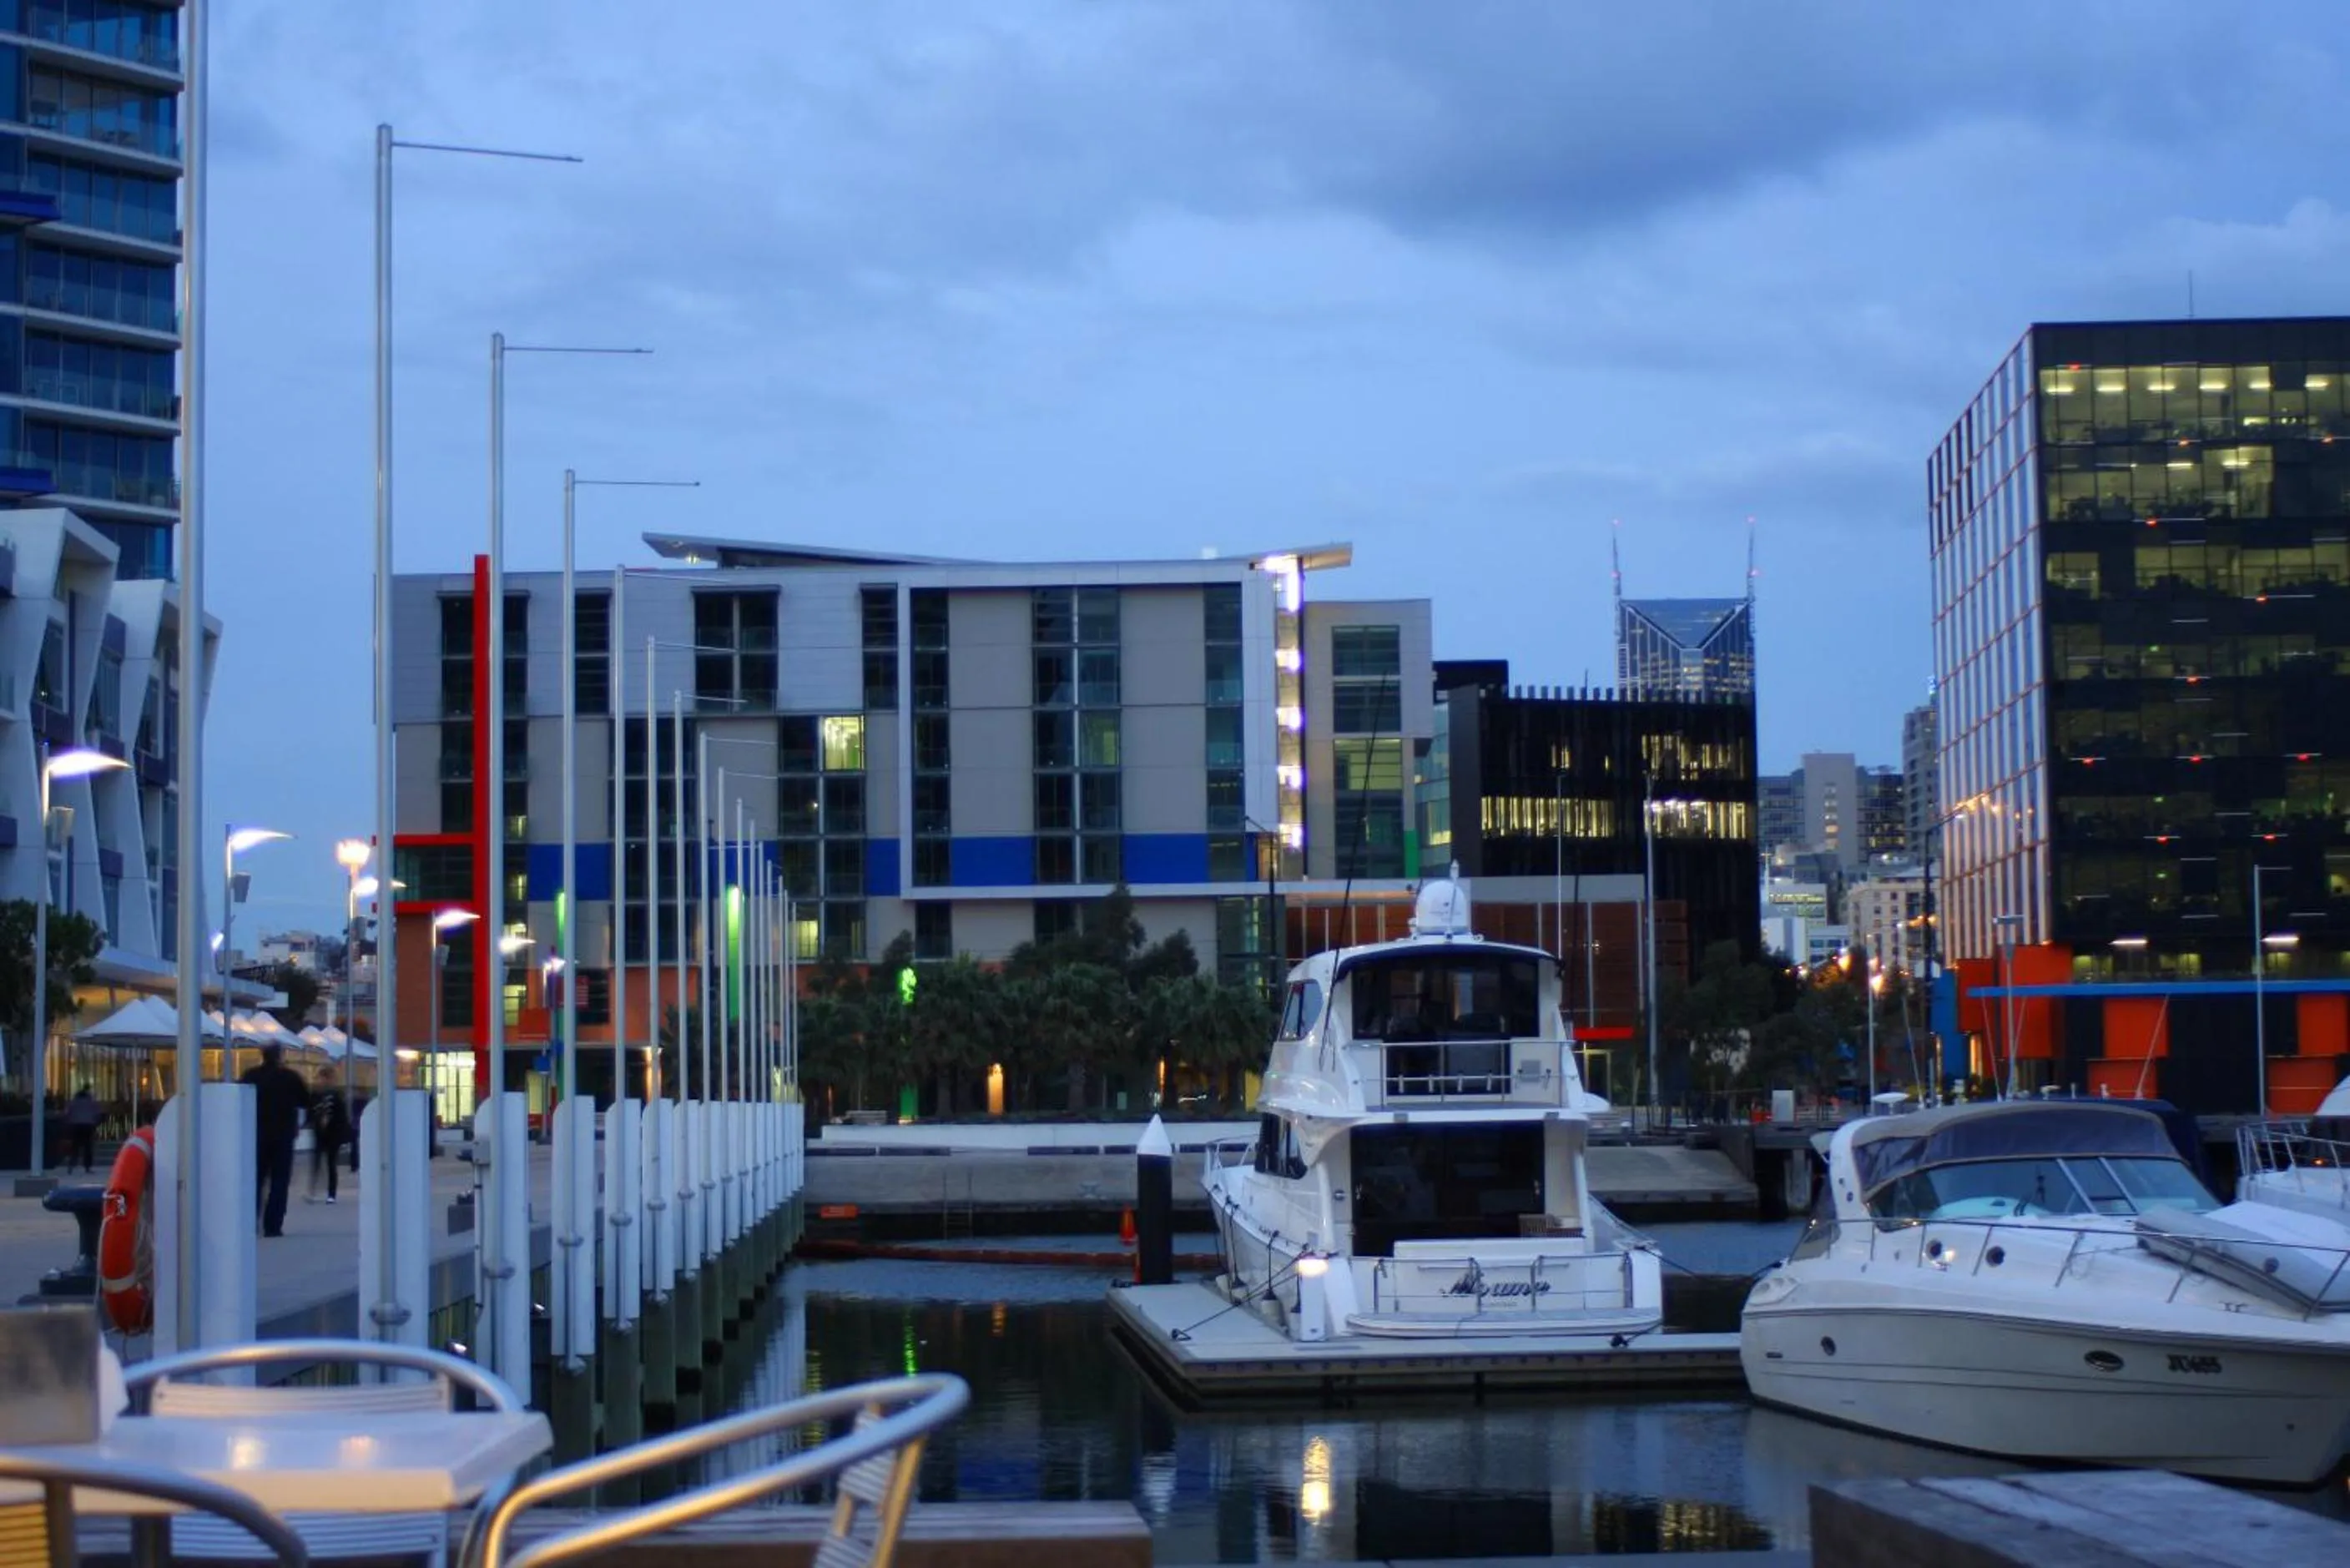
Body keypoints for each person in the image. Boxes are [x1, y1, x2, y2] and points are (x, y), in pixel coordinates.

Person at [240, 1043, 310, 1238]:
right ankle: (273, 1225)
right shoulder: (291, 1077)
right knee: (280, 1181)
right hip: (283, 1135)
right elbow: (306, 1101)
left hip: (256, 1134)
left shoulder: (250, 1076)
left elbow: (240, 1101)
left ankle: (249, 1221)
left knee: (254, 1180)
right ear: (280, 1055)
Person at [307, 1068, 351, 1203]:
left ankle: (331, 1194)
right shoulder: (315, 1095)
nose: (321, 1081)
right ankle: (313, 1191)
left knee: (331, 1164)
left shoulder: (337, 1096)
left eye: (324, 1078)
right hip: (319, 1133)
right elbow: (311, 1112)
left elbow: (342, 1116)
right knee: (317, 1163)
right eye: (321, 1078)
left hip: (333, 1134)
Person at [63, 1086, 102, 1173]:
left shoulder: (72, 1103)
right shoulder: (92, 1103)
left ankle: (72, 1164)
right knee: (88, 1147)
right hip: (88, 1126)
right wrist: (95, 1123)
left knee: (75, 1147)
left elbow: (67, 1115)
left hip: (76, 1126)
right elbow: (98, 1114)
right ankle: (87, 1167)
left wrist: (68, 1124)